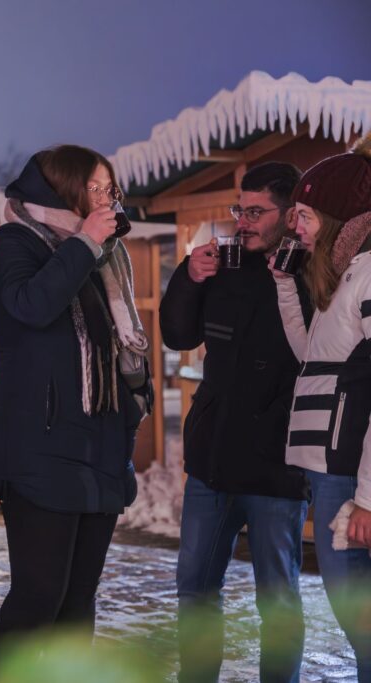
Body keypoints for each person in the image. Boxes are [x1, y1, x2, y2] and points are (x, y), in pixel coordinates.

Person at [0, 144, 152, 677]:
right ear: (65, 188)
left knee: (78, 600)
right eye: (95, 188)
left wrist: (130, 411)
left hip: (98, 446)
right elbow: (30, 307)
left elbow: (113, 345)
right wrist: (83, 243)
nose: (105, 199)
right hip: (40, 445)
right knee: (39, 596)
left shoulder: (100, 255)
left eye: (109, 189)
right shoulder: (15, 242)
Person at [161, 162, 309, 683]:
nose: (242, 222)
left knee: (278, 598)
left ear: (289, 214)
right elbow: (178, 335)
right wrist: (188, 277)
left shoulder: (311, 271)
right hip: (214, 459)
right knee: (194, 588)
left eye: (254, 212)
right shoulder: (222, 264)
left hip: (277, 463)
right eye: (238, 210)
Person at [272, 138, 371, 681]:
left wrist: (367, 498)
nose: (298, 229)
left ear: (336, 218)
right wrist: (287, 289)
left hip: (347, 471)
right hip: (330, 466)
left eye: (305, 216)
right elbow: (311, 359)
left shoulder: (369, 272)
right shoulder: (345, 272)